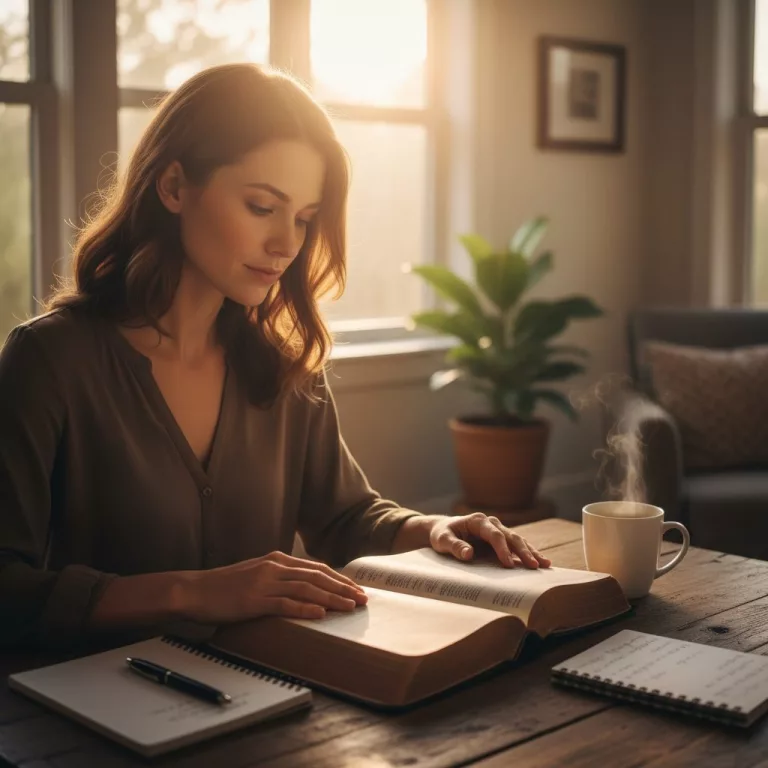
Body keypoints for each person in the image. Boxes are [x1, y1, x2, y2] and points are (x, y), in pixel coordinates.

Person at [0, 64, 551, 652]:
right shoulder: (49, 361)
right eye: (262, 207)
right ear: (174, 187)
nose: (287, 244)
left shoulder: (286, 369)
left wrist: (435, 528)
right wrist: (194, 592)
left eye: (304, 220)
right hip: (87, 718)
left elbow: (345, 519)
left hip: (263, 695)